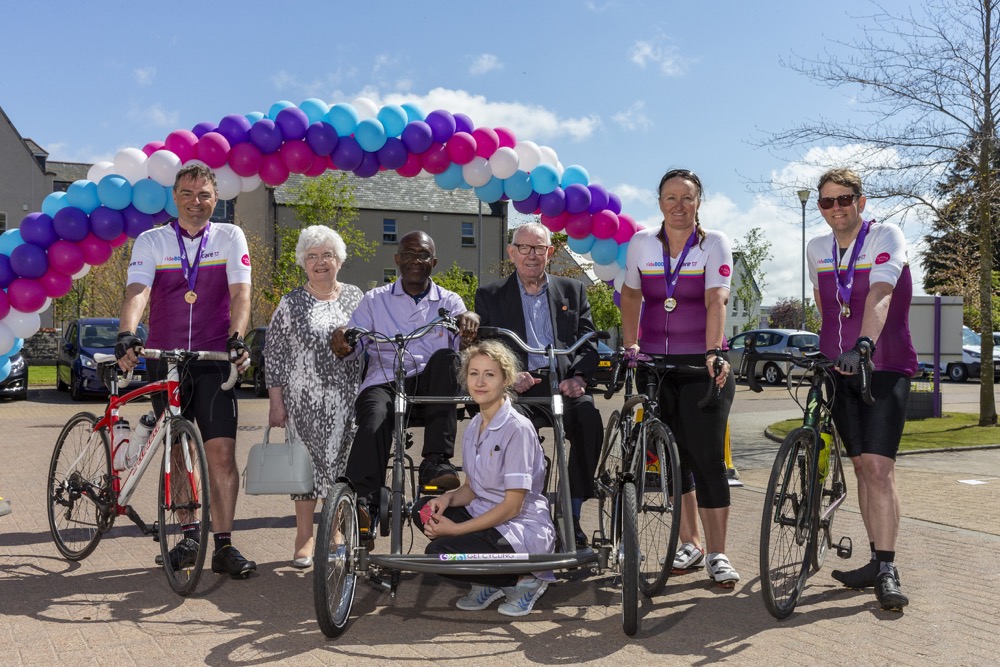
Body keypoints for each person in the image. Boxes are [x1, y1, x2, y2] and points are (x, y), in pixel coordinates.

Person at [115, 163, 256, 579]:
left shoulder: (230, 236)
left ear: (217, 199)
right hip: (166, 358)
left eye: (205, 195)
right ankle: (190, 536)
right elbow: (137, 290)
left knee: (221, 455)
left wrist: (237, 337)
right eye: (188, 194)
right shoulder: (153, 240)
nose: (197, 202)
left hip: (213, 358)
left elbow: (240, 292)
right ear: (174, 197)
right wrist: (127, 332)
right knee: (178, 452)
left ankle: (224, 545)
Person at [619, 168, 739, 587]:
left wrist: (712, 351)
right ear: (659, 203)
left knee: (707, 458)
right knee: (674, 461)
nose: (679, 205)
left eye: (687, 198)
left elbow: (716, 298)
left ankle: (719, 552)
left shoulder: (714, 244)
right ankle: (690, 543)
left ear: (699, 202)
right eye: (670, 198)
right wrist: (631, 344)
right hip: (653, 366)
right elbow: (632, 295)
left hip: (701, 365)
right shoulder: (641, 244)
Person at [808, 167, 916, 611]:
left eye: (845, 199)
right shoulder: (817, 248)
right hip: (840, 370)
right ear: (821, 207)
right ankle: (875, 558)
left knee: (877, 468)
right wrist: (827, 351)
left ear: (861, 201)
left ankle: (887, 569)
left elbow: (881, 294)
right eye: (828, 201)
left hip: (884, 364)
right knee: (858, 467)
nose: (837, 208)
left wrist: (865, 344)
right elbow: (825, 306)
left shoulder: (884, 236)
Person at [330, 231, 479, 538]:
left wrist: (469, 325)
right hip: (386, 379)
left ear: (433, 262)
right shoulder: (374, 300)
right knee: (373, 415)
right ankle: (364, 503)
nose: (415, 261)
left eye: (423, 255)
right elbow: (353, 342)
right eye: (408, 255)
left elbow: (464, 347)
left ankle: (436, 463)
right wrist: (343, 339)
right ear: (397, 260)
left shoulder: (449, 301)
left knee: (446, 359)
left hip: (429, 390)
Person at [474, 222, 603, 548]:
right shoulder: (489, 295)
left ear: (551, 252)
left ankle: (571, 514)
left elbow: (589, 343)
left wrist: (580, 378)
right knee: (512, 433)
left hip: (561, 383)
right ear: (512, 252)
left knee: (588, 418)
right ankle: (523, 515)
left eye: (539, 248)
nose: (532, 255)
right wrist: (507, 377)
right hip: (517, 387)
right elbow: (483, 348)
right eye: (525, 248)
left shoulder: (573, 291)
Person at [412, 340, 555, 616]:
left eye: (489, 374)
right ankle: (488, 580)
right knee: (424, 510)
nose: (480, 381)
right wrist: (446, 498)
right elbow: (472, 488)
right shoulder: (476, 424)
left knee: (440, 552)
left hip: (519, 526)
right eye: (474, 373)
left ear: (506, 380)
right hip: (488, 517)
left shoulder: (518, 428)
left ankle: (525, 580)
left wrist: (455, 530)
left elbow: (512, 506)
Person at [264, 226, 364, 568]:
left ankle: (335, 533)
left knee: (340, 467)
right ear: (303, 263)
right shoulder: (291, 303)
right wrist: (276, 402)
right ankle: (304, 536)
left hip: (346, 399)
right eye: (312, 257)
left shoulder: (356, 297)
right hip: (302, 399)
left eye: (327, 255)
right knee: (304, 468)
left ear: (339, 260)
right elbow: (274, 354)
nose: (320, 262)